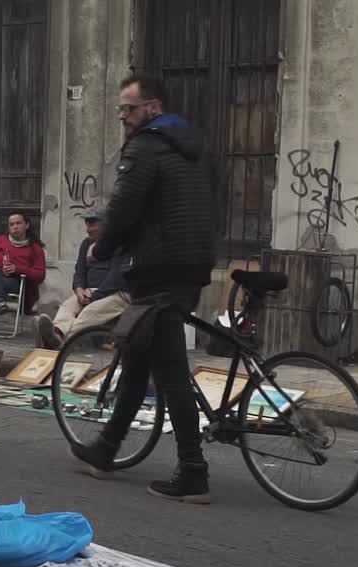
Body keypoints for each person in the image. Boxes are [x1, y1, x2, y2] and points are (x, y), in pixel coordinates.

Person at [69, 74, 217, 504]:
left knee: (170, 372)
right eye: (119, 109)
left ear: (151, 108)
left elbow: (125, 207)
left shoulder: (146, 147)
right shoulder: (195, 146)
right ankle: (105, 449)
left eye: (127, 109)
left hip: (158, 268)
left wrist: (102, 249)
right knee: (135, 354)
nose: (121, 117)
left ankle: (193, 471)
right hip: (190, 263)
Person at [33, 201, 130, 349]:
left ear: (106, 225)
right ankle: (56, 333)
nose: (88, 230)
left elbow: (116, 277)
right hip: (89, 292)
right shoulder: (87, 244)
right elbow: (80, 271)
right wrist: (79, 289)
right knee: (67, 306)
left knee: (90, 312)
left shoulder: (120, 244)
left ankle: (60, 341)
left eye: (92, 225)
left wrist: (94, 297)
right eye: (87, 225)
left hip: (117, 294)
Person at [0, 213, 46, 340]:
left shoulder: (35, 248)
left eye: (18, 223)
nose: (15, 227)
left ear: (26, 225)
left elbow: (40, 275)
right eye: (11, 224)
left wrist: (17, 269)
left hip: (12, 282)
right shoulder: (1, 240)